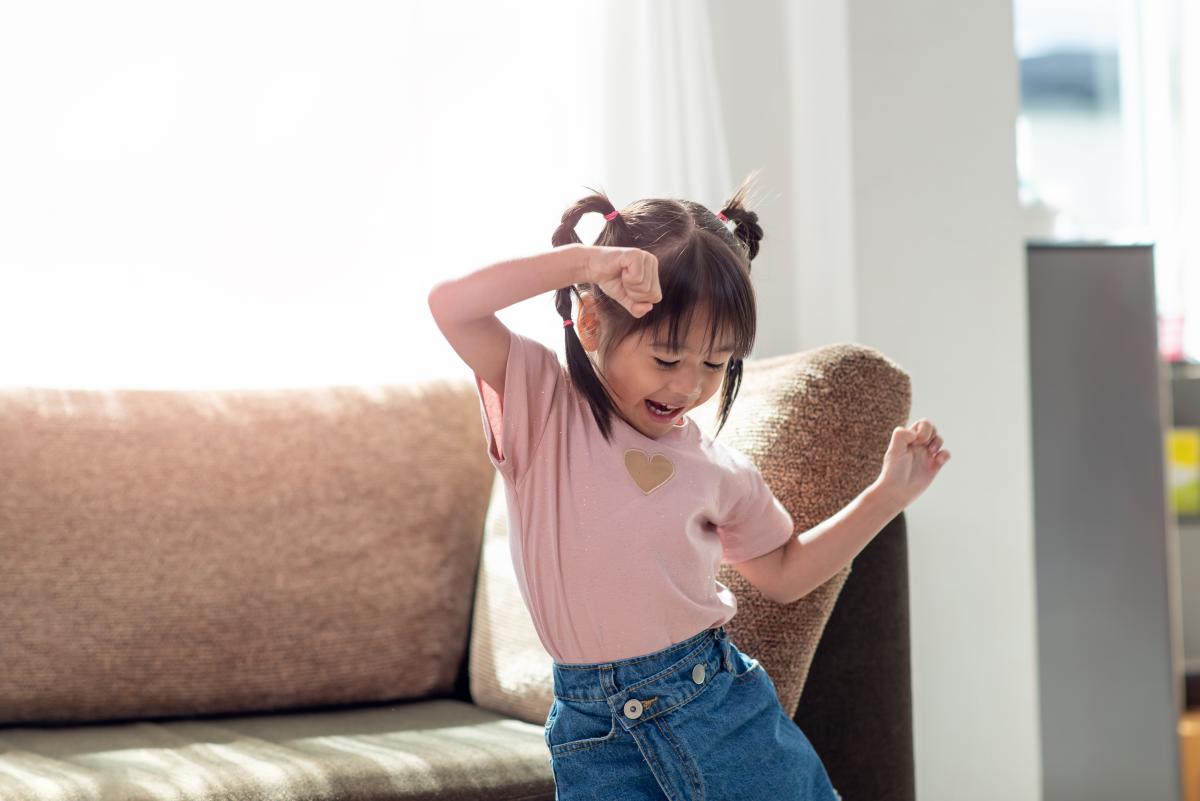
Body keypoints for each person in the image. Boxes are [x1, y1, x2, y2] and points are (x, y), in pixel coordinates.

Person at [427, 174, 950, 800]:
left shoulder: (718, 470)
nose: (689, 387)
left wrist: (886, 497)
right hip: (592, 730)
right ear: (591, 324)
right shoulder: (543, 408)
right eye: (667, 359)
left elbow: (785, 572)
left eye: (715, 363)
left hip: (716, 706)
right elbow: (451, 304)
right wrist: (589, 262)